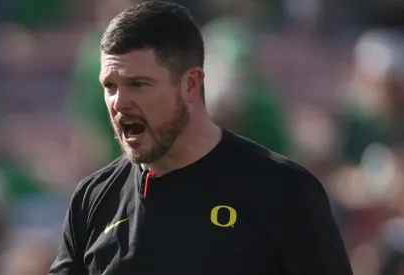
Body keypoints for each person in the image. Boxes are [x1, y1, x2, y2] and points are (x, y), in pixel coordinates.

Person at [49, 1, 353, 274]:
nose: (119, 102)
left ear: (191, 84)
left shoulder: (284, 190)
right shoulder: (92, 200)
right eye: (110, 86)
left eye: (138, 84)